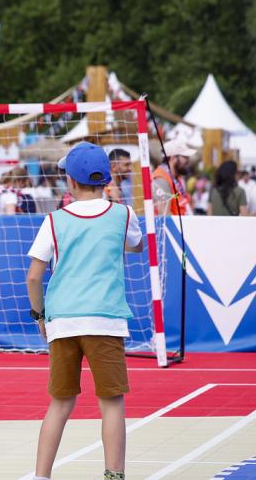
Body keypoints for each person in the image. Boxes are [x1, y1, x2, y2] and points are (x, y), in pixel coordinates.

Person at [25, 142, 144, 480]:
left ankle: (41, 476)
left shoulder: (54, 220)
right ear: (107, 180)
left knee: (60, 404)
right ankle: (114, 474)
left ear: (71, 182)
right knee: (111, 403)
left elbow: (34, 276)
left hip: (62, 320)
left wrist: (39, 316)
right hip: (105, 319)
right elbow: (137, 245)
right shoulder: (122, 214)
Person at [151, 138, 195, 216]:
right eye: (185, 157)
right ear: (173, 158)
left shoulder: (177, 177)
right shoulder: (161, 180)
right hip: (176, 227)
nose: (188, 160)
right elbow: (164, 215)